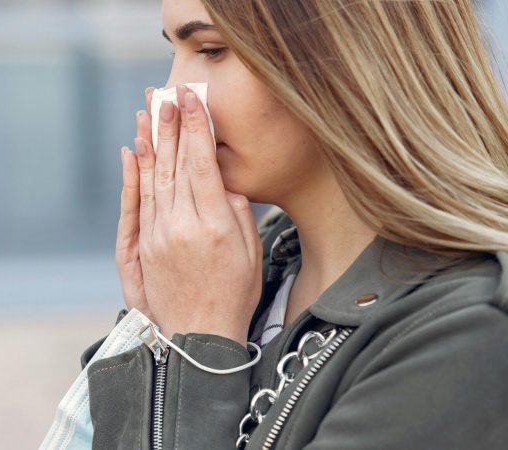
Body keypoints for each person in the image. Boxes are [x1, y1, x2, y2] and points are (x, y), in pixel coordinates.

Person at [75, 0, 507, 448]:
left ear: (348, 55)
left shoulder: (467, 333)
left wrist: (196, 348)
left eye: (211, 50)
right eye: (173, 55)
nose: (168, 94)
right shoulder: (239, 275)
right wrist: (158, 334)